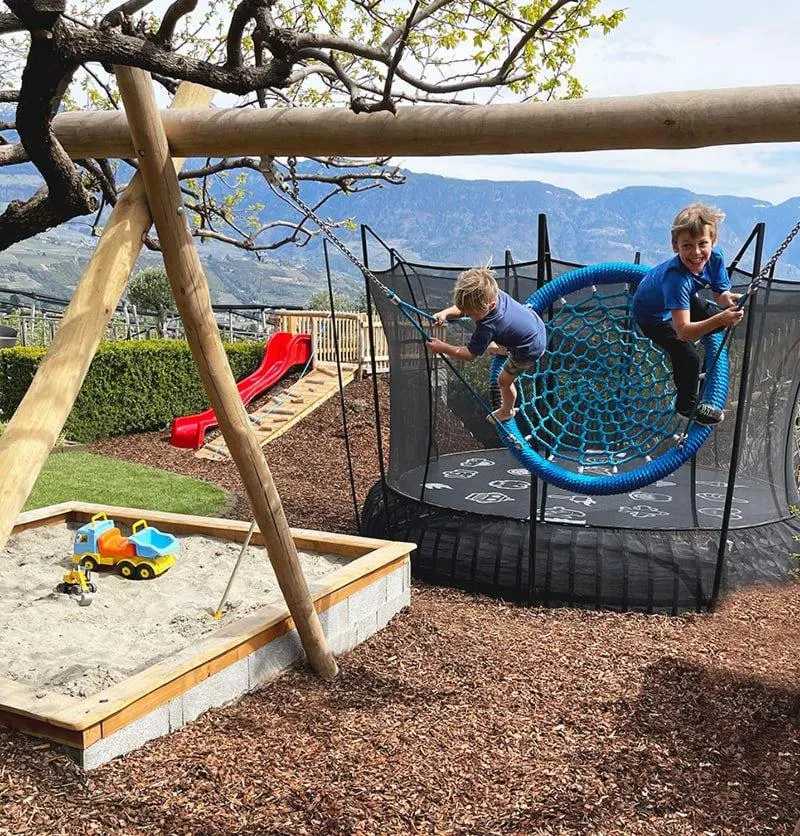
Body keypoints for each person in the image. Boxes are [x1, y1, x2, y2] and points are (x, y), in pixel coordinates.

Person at [632, 203, 744, 425]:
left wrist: (728, 300)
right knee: (689, 357)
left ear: (713, 241)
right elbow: (682, 333)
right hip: (651, 316)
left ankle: (704, 326)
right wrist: (720, 318)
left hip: (680, 299)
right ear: (675, 247)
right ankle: (686, 406)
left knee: (718, 321)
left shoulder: (716, 257)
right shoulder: (677, 279)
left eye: (702, 243)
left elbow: (721, 294)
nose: (696, 253)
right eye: (687, 246)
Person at [427, 267, 546, 423]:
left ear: (490, 306)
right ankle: (502, 348)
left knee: (503, 381)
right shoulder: (494, 293)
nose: (470, 316)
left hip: (529, 349)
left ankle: (507, 410)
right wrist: (446, 313)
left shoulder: (488, 326)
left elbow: (469, 355)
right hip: (535, 324)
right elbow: (464, 307)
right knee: (502, 337)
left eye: (473, 314)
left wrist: (443, 347)